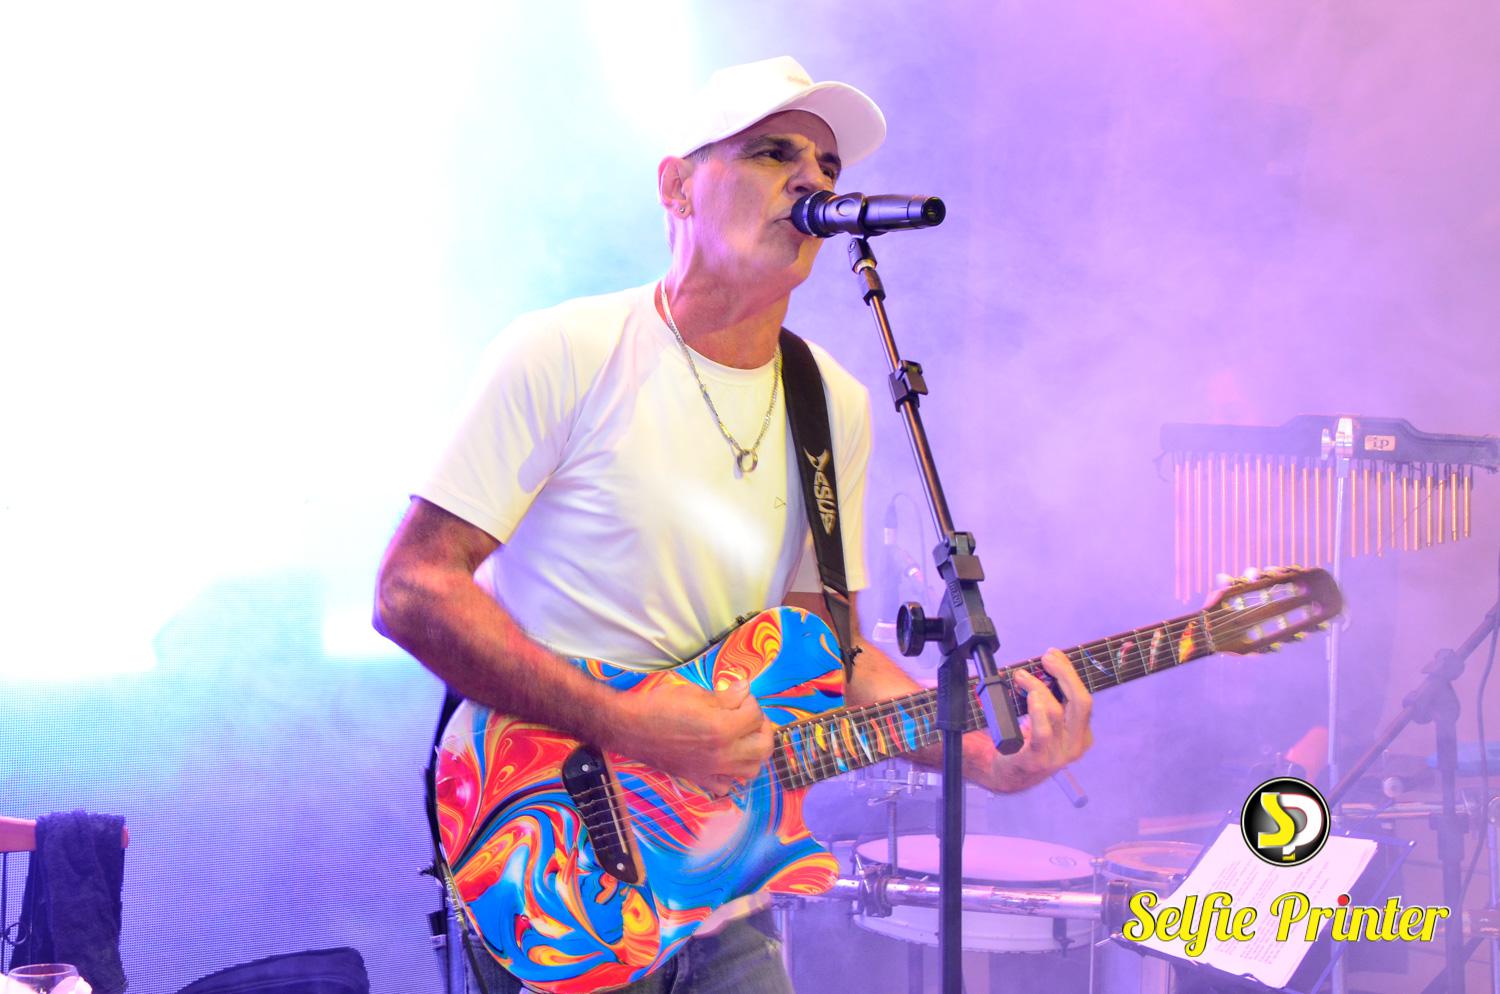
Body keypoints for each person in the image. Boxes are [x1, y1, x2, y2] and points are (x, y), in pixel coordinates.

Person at [374, 55, 1094, 994]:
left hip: (726, 876)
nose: (811, 180)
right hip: (561, 853)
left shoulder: (830, 401)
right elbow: (412, 588)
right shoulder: (565, 352)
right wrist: (628, 722)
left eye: (828, 167)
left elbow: (830, 653)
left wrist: (978, 754)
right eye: (771, 153)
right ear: (677, 186)